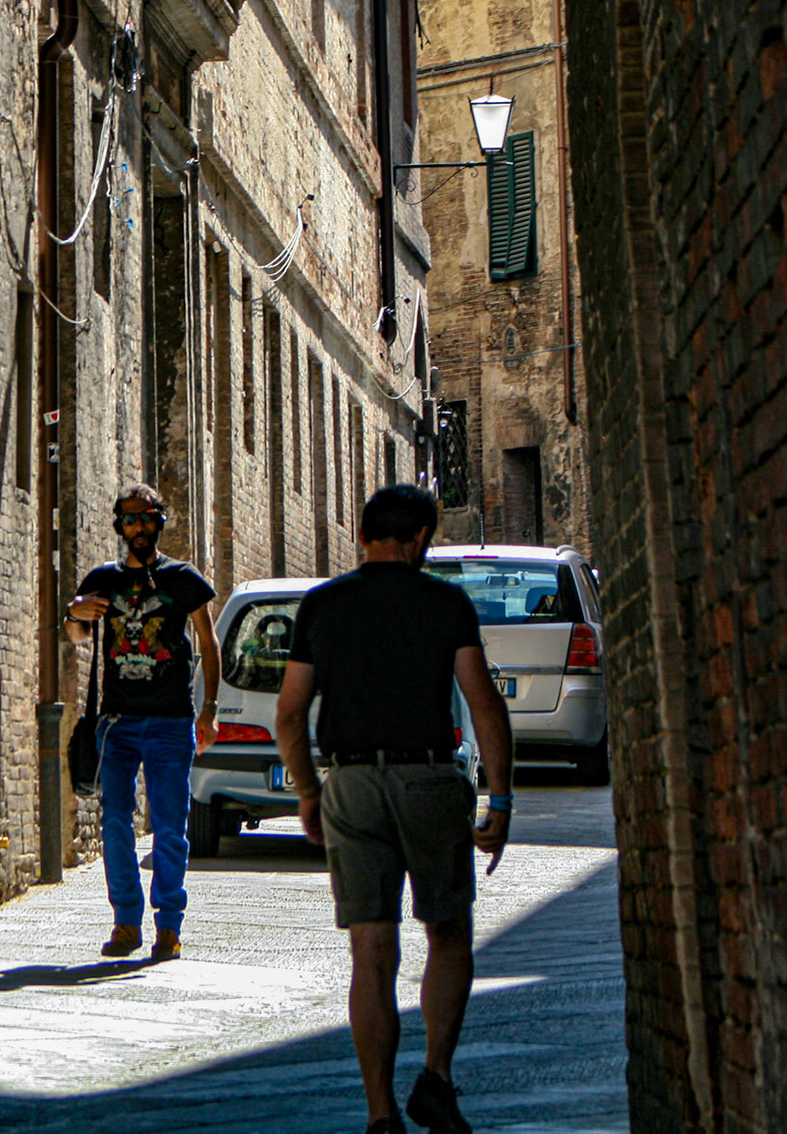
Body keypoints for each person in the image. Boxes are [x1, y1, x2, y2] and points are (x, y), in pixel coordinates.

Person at [273, 483, 514, 1134]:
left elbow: (290, 713)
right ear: (420, 542)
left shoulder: (323, 607)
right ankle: (435, 1076)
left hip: (351, 784)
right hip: (431, 779)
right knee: (448, 931)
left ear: (361, 538)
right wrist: (501, 797)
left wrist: (308, 793)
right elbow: (485, 704)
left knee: (371, 953)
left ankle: (381, 1114)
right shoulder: (445, 604)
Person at [65, 483, 221, 962]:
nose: (138, 528)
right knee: (115, 822)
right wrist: (74, 613)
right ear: (119, 526)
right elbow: (76, 634)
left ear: (159, 521)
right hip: (117, 721)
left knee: (171, 826)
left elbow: (208, 643)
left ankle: (169, 926)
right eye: (129, 520)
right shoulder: (102, 581)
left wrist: (209, 709)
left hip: (172, 721)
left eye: (146, 518)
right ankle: (126, 922)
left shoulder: (183, 578)